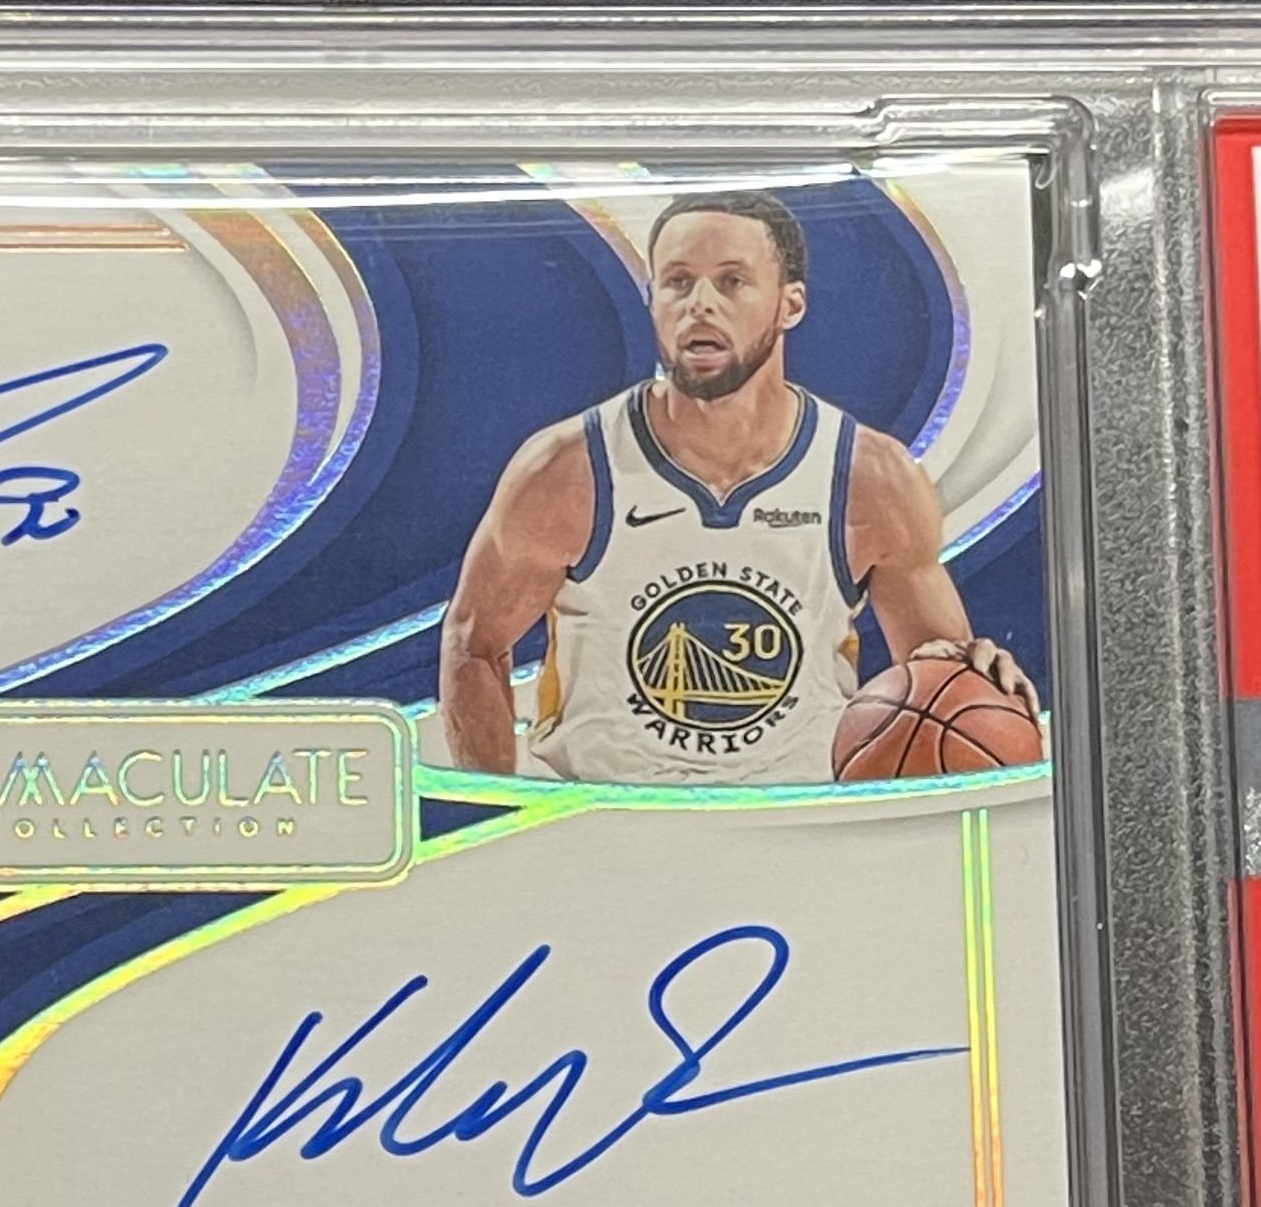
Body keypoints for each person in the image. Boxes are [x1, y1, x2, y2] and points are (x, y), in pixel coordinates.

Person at [438, 190, 1038, 784]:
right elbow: (473, 643)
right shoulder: (568, 469)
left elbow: (937, 676)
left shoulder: (871, 476)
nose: (699, 304)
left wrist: (981, 681)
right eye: (677, 282)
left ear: (790, 304)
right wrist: (499, 799)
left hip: (795, 819)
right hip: (608, 817)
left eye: (731, 282)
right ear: (651, 298)